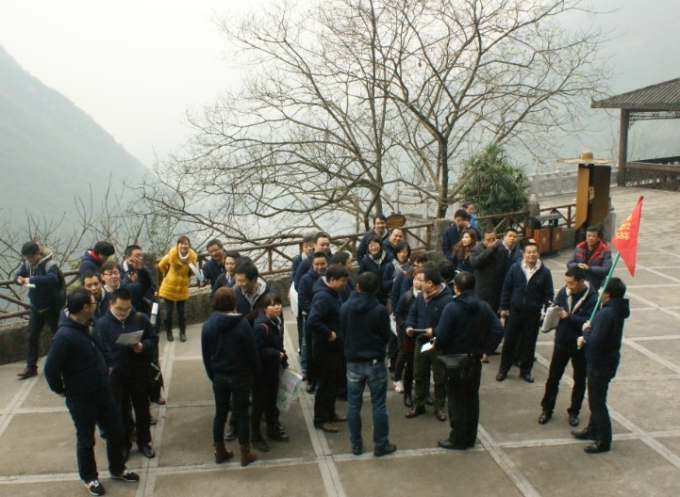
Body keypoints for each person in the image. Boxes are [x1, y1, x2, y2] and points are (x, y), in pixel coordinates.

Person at [44, 288, 139, 496]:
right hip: (81, 398)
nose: (97, 306)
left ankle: (118, 467)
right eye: (94, 303)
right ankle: (89, 477)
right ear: (85, 307)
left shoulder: (89, 323)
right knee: (86, 439)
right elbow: (50, 370)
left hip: (103, 390)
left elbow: (101, 343)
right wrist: (61, 390)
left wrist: (109, 363)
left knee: (116, 430)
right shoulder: (64, 337)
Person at [434, 271, 499, 450]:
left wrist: (437, 345)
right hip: (474, 360)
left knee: (457, 401)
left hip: (455, 361)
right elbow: (498, 329)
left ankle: (458, 439)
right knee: (472, 399)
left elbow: (442, 337)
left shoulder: (451, 308)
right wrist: (486, 350)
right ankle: (470, 437)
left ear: (456, 288)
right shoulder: (483, 306)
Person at [93, 288, 158, 460]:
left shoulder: (140, 319)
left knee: (142, 409)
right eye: (120, 309)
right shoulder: (102, 325)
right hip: (116, 376)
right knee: (120, 411)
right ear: (111, 304)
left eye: (127, 308)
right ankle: (124, 444)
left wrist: (142, 347)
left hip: (138, 372)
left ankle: (144, 441)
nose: (124, 312)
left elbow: (153, 339)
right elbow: (97, 350)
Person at [201, 287, 260, 466]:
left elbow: (206, 355)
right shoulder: (242, 324)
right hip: (241, 376)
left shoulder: (208, 326)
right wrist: (256, 374)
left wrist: (213, 376)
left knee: (220, 414)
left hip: (219, 376)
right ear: (234, 303)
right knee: (242, 414)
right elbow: (252, 353)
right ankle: (245, 454)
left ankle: (220, 452)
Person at [340, 272, 396, 457]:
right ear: (377, 289)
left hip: (353, 361)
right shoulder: (379, 310)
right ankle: (381, 444)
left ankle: (356, 444)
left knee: (353, 404)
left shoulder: (345, 307)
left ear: (357, 286)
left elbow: (342, 331)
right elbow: (386, 335)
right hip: (375, 362)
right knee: (378, 404)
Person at [573, 277, 630, 453]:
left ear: (608, 294)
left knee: (597, 403)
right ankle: (592, 429)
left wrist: (586, 332)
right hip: (607, 361)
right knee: (596, 399)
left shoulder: (606, 314)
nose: (598, 290)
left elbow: (596, 341)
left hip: (600, 364)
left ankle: (604, 440)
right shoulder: (615, 310)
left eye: (602, 288)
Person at [539, 267, 598, 427]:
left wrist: (569, 317)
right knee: (553, 378)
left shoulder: (592, 298)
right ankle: (547, 409)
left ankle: (574, 411)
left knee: (579, 380)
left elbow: (589, 322)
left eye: (571, 283)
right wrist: (552, 311)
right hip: (562, 342)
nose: (568, 286)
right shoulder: (563, 292)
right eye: (566, 282)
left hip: (579, 345)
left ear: (581, 281)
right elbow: (557, 307)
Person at [496, 240, 554, 383]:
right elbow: (507, 288)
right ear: (523, 254)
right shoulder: (515, 268)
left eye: (534, 252)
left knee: (529, 343)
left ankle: (525, 371)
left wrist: (545, 311)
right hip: (515, 312)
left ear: (538, 254)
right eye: (529, 252)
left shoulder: (545, 272)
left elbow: (548, 294)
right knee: (509, 342)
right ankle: (503, 370)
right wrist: (504, 307)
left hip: (533, 314)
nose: (531, 255)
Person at [404, 266, 453, 422]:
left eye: (422, 281)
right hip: (421, 340)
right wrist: (409, 325)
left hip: (438, 343)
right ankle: (419, 404)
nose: (418, 283)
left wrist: (435, 331)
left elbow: (449, 324)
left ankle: (439, 406)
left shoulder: (447, 300)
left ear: (430, 283)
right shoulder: (421, 296)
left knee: (440, 377)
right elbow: (413, 313)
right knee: (419, 374)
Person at [306, 264, 349, 433]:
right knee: (325, 385)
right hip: (325, 349)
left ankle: (330, 413)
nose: (344, 285)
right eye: (342, 281)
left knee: (334, 383)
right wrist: (328, 333)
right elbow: (312, 321)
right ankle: (320, 419)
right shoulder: (323, 297)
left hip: (335, 348)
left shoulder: (333, 293)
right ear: (332, 280)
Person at [13, 241, 65, 379]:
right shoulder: (27, 264)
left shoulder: (49, 264)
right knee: (32, 336)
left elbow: (52, 279)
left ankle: (64, 364)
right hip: (36, 307)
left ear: (37, 253)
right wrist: (19, 279)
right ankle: (31, 367)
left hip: (52, 307)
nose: (29, 260)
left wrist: (31, 279)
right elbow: (17, 276)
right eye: (26, 257)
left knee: (59, 336)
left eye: (30, 257)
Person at [250, 294, 290, 452]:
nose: (277, 307)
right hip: (261, 374)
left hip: (272, 370)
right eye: (273, 305)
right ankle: (256, 436)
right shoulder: (261, 326)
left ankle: (272, 429)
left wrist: (283, 360)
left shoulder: (276, 322)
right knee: (259, 405)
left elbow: (278, 344)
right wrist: (275, 354)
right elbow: (257, 350)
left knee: (271, 402)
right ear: (265, 308)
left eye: (279, 304)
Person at [394, 267, 425, 408]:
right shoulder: (407, 296)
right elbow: (398, 313)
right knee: (410, 364)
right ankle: (407, 394)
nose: (417, 282)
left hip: (424, 335)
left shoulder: (428, 296)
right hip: (409, 335)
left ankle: (425, 394)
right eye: (416, 279)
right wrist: (405, 326)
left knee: (425, 366)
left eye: (421, 280)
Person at [298, 252, 328, 391]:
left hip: (327, 319)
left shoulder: (330, 277)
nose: (320, 267)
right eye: (317, 264)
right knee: (310, 349)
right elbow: (302, 299)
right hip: (311, 319)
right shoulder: (305, 279)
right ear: (312, 264)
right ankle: (311, 379)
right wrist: (316, 312)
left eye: (322, 264)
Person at [158, 236, 197, 342]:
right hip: (169, 287)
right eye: (181, 244)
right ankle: (169, 333)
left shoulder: (192, 258)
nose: (183, 246)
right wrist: (167, 274)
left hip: (182, 288)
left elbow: (193, 272)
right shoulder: (172, 255)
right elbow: (161, 265)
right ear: (177, 245)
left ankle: (182, 333)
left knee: (182, 313)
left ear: (189, 245)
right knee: (168, 313)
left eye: (185, 244)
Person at [470, 227, 508, 312]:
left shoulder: (502, 250)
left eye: (493, 239)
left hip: (497, 291)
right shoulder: (476, 250)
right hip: (483, 291)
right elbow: (475, 263)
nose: (492, 242)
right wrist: (489, 250)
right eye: (488, 240)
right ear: (483, 240)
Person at [567, 226, 613, 290]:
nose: (590, 238)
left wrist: (589, 268)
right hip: (578, 283)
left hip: (594, 284)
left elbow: (606, 270)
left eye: (593, 236)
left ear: (598, 238)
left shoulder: (605, 250)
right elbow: (569, 264)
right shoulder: (580, 247)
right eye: (588, 236)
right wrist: (577, 265)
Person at [358, 234, 394, 305]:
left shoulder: (390, 257)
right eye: (371, 246)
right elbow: (361, 277)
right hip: (372, 294)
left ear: (380, 245)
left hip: (389, 292)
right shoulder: (365, 261)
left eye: (375, 245)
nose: (373, 248)